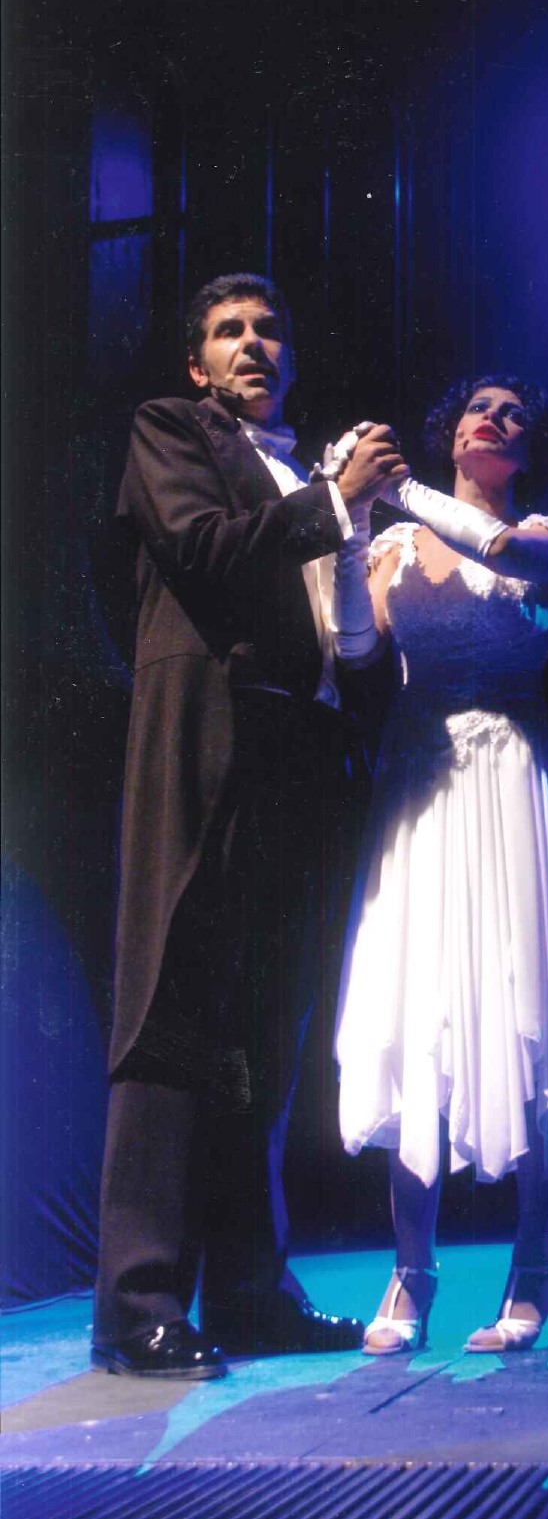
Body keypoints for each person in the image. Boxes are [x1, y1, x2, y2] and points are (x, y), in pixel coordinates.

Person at [92, 274, 408, 1379]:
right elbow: (203, 547)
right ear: (198, 362)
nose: (252, 344)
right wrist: (332, 502)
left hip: (301, 763)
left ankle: (249, 1291)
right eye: (228, 331)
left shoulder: (310, 476)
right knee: (172, 1016)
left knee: (260, 1041)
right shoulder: (170, 430)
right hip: (210, 747)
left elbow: (341, 639)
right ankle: (138, 1304)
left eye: (270, 329)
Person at [330, 375, 548, 1354]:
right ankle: (411, 1272)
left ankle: (534, 1270)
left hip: (514, 782)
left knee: (524, 1013)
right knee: (417, 1015)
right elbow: (353, 649)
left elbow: (498, 552)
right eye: (475, 409)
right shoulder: (393, 548)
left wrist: (394, 488)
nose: (491, 420)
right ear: (449, 433)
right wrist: (348, 521)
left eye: (513, 415)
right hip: (419, 781)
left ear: (529, 451)